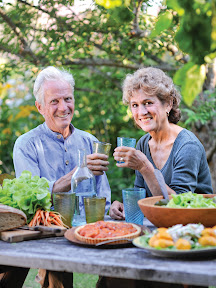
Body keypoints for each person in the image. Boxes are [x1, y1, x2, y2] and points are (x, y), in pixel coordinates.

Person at [13, 66, 111, 288]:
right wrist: (79, 172)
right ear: (40, 107)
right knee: (55, 277)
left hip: (89, 230)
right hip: (47, 236)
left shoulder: (89, 142)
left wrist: (110, 210)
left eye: (68, 99)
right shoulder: (27, 144)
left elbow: (102, 196)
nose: (63, 107)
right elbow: (32, 200)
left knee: (119, 274)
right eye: (54, 101)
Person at [109, 66, 213, 219]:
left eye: (148, 102)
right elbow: (143, 197)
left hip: (196, 229)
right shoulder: (143, 143)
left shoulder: (187, 146)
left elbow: (178, 206)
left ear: (168, 104)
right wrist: (124, 206)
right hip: (161, 227)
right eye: (135, 105)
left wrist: (145, 167)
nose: (141, 112)